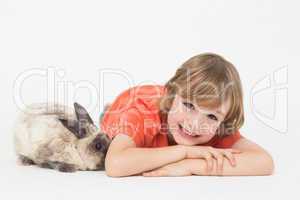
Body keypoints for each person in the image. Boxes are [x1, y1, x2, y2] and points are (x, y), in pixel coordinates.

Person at [100, 53, 274, 177]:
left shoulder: (215, 130)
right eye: (189, 105)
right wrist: (185, 152)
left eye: (212, 116)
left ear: (223, 122)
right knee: (109, 130)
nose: (195, 124)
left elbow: (264, 162)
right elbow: (115, 164)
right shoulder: (141, 113)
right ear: (172, 94)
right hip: (130, 104)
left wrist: (192, 165)